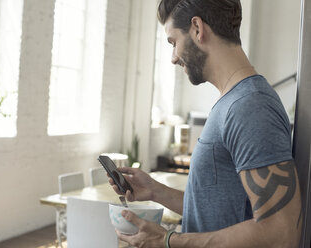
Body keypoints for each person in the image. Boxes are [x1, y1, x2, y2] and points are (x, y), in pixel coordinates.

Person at [108, 0, 303, 247]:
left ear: (197, 28)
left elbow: (281, 232)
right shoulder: (232, 101)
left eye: (173, 42)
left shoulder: (250, 105)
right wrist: (156, 191)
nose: (173, 58)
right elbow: (218, 209)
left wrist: (168, 240)